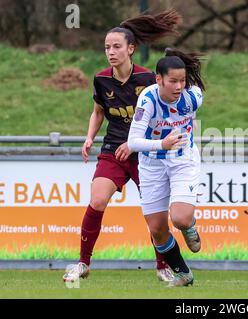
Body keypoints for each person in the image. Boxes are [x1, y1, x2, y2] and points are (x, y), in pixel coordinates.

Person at [63, 10, 183, 284]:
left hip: (147, 154)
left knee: (156, 216)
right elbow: (98, 112)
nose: (111, 52)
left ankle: (162, 266)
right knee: (97, 200)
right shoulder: (101, 79)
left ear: (131, 49)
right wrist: (89, 137)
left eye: (116, 46)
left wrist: (140, 144)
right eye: (107, 47)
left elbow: (163, 115)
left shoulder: (148, 80)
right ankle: (83, 263)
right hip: (114, 150)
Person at [127, 48, 206, 287]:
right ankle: (183, 274)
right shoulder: (148, 100)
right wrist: (162, 143)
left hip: (183, 160)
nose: (179, 86)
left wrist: (170, 144)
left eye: (182, 80)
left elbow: (192, 89)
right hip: (151, 164)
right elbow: (133, 142)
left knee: (180, 219)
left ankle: (189, 226)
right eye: (173, 81)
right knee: (157, 229)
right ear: (158, 79)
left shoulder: (193, 97)